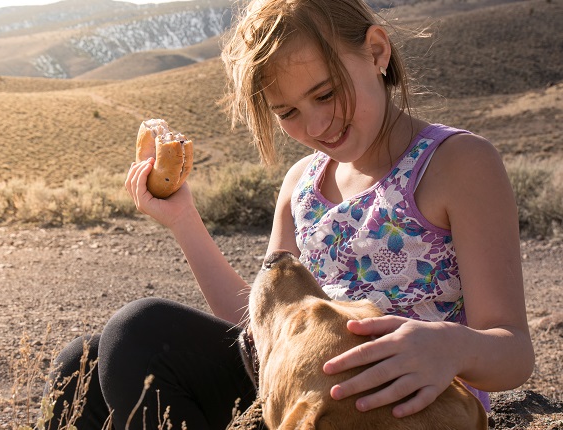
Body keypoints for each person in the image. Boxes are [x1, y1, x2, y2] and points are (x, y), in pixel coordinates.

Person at [45, 0, 535, 428]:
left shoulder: (457, 163)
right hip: (291, 387)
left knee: (140, 328)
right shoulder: (302, 182)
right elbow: (263, 322)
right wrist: (182, 218)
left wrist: (450, 347)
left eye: (325, 93)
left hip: (396, 408)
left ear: (377, 52)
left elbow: (512, 351)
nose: (317, 124)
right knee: (80, 367)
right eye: (288, 113)